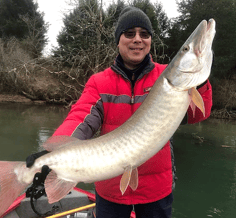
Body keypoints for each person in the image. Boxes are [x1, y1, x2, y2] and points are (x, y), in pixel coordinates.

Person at [27, 6, 212, 218]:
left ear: (150, 41)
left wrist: (201, 81)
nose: (137, 39)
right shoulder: (99, 82)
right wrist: (54, 151)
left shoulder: (166, 76)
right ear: (118, 40)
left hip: (156, 189)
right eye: (129, 33)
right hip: (111, 190)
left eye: (144, 34)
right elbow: (80, 119)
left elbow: (198, 114)